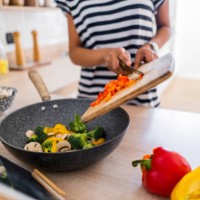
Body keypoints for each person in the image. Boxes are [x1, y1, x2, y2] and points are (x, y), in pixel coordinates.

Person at [55, 0, 171, 107]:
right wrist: (105, 55)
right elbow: (74, 52)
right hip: (93, 99)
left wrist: (151, 46)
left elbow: (165, 27)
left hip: (142, 96)